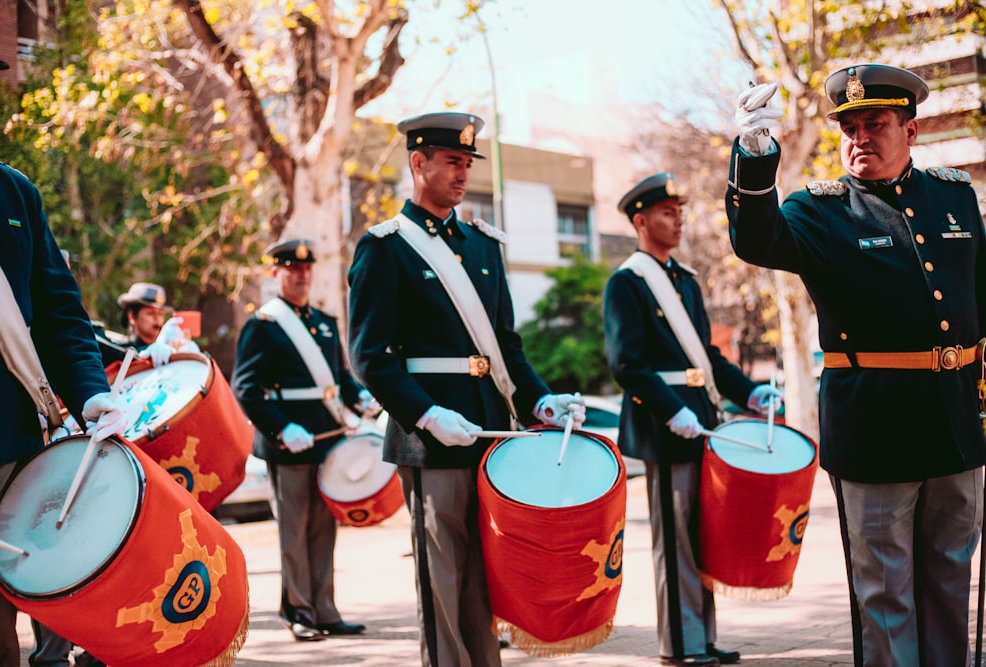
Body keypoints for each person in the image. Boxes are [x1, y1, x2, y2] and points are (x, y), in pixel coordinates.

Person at [729, 64, 986, 665]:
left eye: (876, 124)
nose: (859, 137)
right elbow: (756, 238)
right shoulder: (820, 212)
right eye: (849, 126)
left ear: (911, 131)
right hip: (875, 425)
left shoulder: (953, 195)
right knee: (884, 595)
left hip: (954, 421)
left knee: (951, 581)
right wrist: (754, 151)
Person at [347, 111, 586, 667]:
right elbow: (370, 357)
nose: (463, 174)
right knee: (445, 575)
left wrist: (539, 399)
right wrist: (426, 414)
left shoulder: (483, 245)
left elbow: (506, 344)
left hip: (488, 427)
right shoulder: (385, 247)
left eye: (467, 164)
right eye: (453, 162)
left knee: (487, 569)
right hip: (432, 438)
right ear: (418, 162)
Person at [0, 10, 127, 666]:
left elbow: (61, 318)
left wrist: (92, 395)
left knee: (0, 621)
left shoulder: (14, 193)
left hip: (6, 438)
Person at [603, 173, 780, 666]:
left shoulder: (685, 280)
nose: (677, 220)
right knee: (675, 542)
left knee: (701, 540)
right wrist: (671, 408)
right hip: (665, 426)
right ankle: (680, 644)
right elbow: (626, 364)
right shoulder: (628, 282)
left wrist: (750, 393)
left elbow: (709, 358)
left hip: (700, 421)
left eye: (680, 212)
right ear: (640, 221)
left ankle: (701, 637)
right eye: (666, 213)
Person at [231, 239, 378, 642]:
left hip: (329, 442)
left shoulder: (327, 322)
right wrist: (280, 428)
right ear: (276, 274)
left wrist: (359, 396)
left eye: (307, 269)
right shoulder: (263, 326)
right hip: (290, 444)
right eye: (293, 269)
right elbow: (245, 389)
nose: (302, 275)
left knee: (322, 530)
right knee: (293, 532)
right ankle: (299, 611)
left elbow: (339, 377)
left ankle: (325, 609)